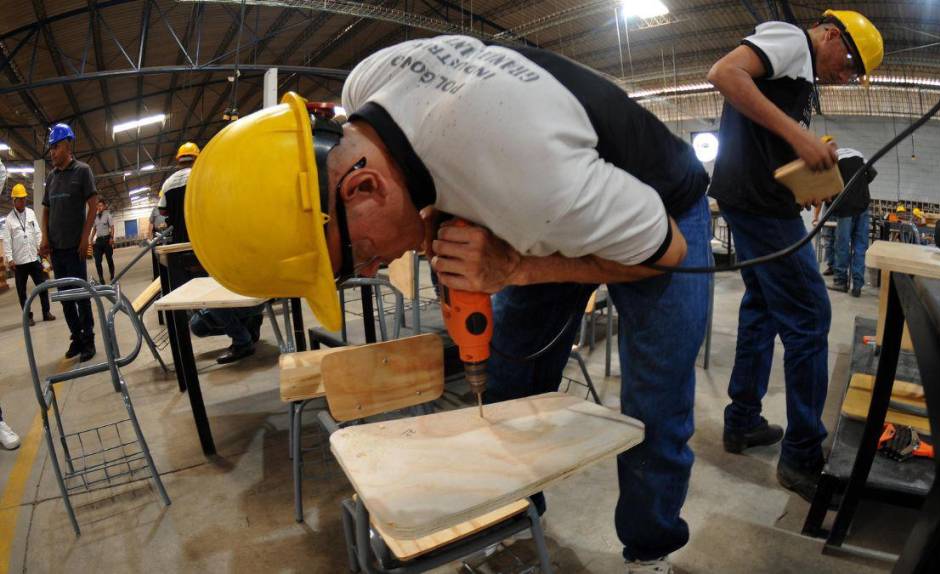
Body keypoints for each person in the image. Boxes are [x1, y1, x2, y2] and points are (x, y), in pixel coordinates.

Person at [186, 35, 712, 572]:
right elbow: (458, 71)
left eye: (361, 255)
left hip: (662, 213)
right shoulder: (368, 83)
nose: (369, 270)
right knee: (511, 380)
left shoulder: (529, 181)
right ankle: (511, 516)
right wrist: (436, 217)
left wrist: (516, 268)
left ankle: (651, 549)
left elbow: (666, 253)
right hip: (553, 197)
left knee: (656, 400)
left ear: (363, 186)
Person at [706, 10, 883, 501]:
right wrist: (798, 136)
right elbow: (724, 73)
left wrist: (804, 179)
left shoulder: (800, 73)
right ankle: (802, 453)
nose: (845, 76)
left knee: (762, 310)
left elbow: (765, 140)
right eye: (848, 62)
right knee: (810, 315)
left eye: (853, 74)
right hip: (759, 206)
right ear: (830, 33)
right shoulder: (790, 40)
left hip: (759, 199)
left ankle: (742, 422)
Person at [159, 142, 263, 364]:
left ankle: (242, 339)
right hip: (213, 246)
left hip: (184, 251)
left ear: (179, 160)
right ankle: (249, 326)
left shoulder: (168, 184)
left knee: (206, 302)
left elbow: (163, 212)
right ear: (198, 158)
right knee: (222, 293)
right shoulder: (206, 175)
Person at [39, 123, 98, 362]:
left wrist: (85, 238)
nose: (52, 152)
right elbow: (45, 210)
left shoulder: (83, 171)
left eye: (55, 147)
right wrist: (44, 238)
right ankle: (76, 337)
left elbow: (93, 206)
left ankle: (89, 339)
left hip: (75, 249)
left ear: (67, 146)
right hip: (56, 249)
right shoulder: (52, 177)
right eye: (50, 148)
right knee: (64, 298)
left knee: (81, 295)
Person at [2, 183, 56, 326]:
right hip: (19, 262)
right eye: (19, 199)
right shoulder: (9, 220)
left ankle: (46, 312)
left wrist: (42, 248)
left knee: (43, 286)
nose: (23, 201)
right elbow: (7, 241)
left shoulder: (31, 213)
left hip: (34, 257)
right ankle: (29, 316)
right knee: (22, 291)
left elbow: (37, 232)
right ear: (14, 200)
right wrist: (10, 258)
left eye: (24, 198)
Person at [828, 147, 877, 297]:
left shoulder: (833, 158)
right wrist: (860, 186)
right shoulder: (859, 154)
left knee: (842, 244)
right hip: (862, 205)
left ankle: (841, 281)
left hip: (845, 207)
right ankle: (857, 285)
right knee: (860, 246)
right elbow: (873, 173)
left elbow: (829, 182)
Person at [90, 197, 116, 283]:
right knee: (97, 261)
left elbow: (112, 227)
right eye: (98, 206)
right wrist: (91, 238)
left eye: (101, 205)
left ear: (104, 206)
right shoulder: (95, 217)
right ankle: (101, 278)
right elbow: (94, 228)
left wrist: (111, 238)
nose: (99, 207)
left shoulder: (108, 215)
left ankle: (112, 275)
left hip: (107, 239)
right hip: (99, 241)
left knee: (109, 259)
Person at [813, 201, 835, 275]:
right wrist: (815, 217)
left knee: (838, 239)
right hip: (829, 205)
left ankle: (835, 266)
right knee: (828, 239)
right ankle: (832, 265)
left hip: (840, 206)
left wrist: (815, 216)